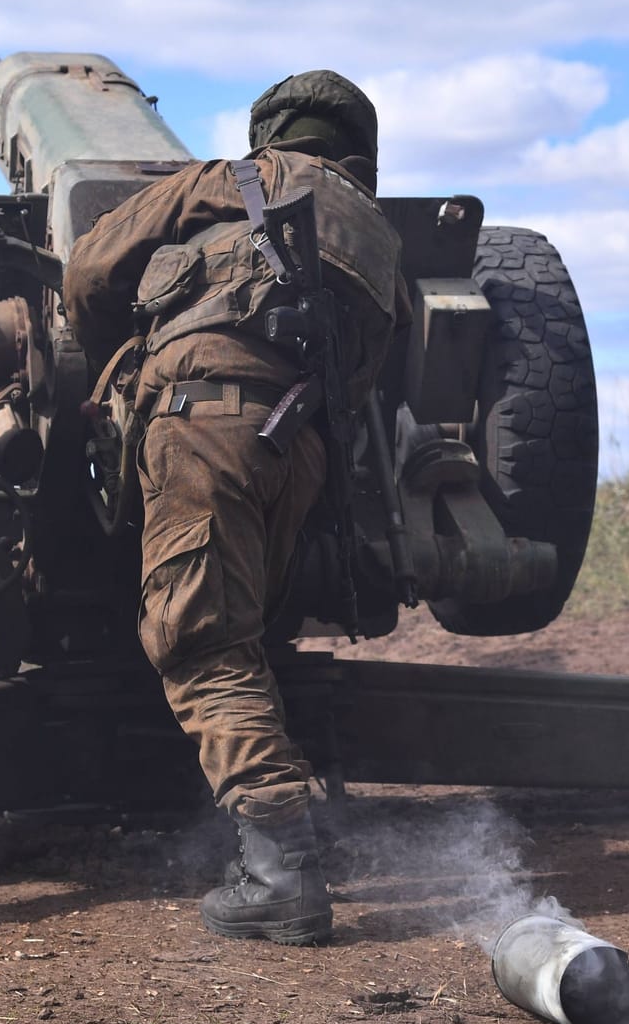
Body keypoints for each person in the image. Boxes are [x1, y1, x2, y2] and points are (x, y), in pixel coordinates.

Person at [63, 70, 406, 945]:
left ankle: (281, 865)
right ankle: (271, 833)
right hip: (300, 449)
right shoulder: (377, 236)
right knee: (239, 627)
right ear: (359, 153)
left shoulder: (228, 182)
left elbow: (92, 269)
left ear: (270, 137)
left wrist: (117, 377)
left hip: (200, 422)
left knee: (201, 634)